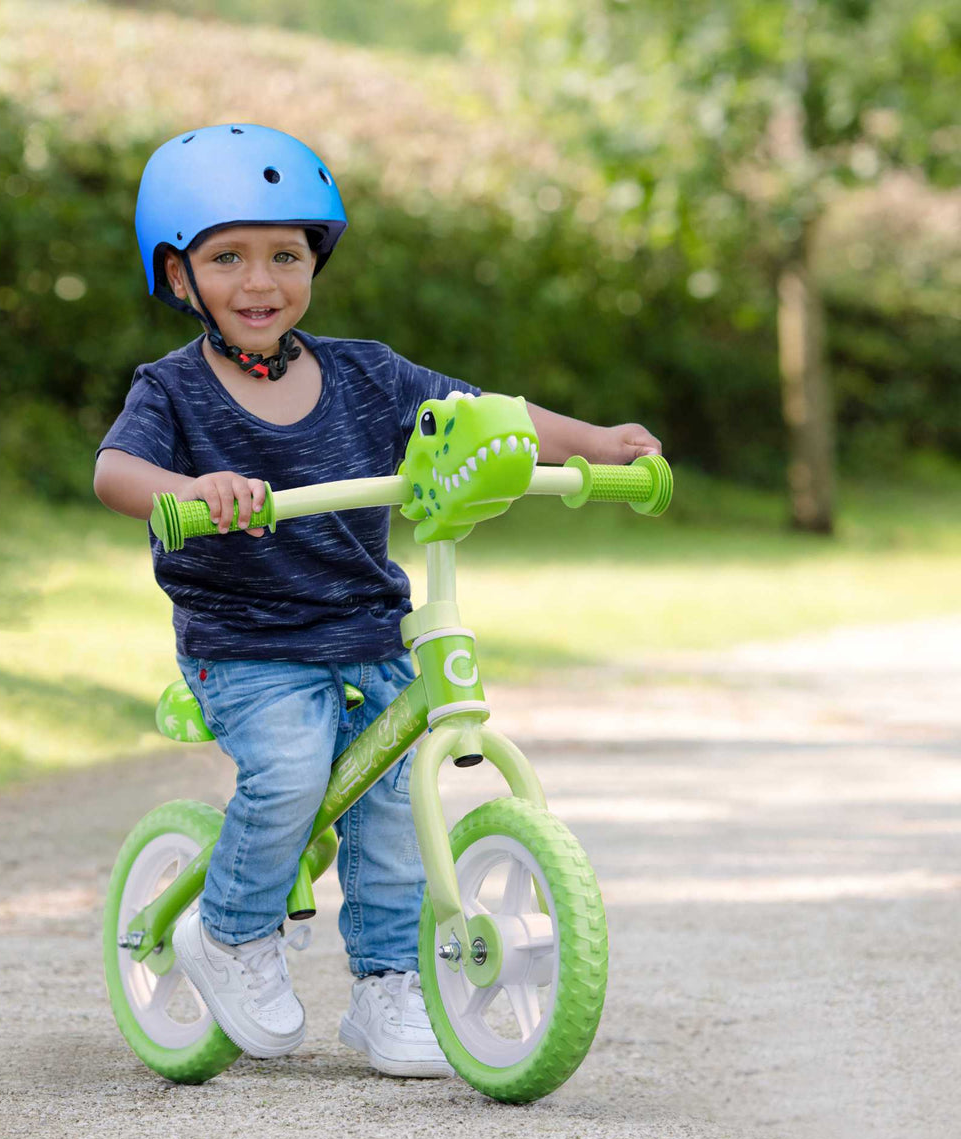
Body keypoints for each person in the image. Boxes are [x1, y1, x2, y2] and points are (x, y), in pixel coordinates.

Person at [93, 123, 661, 1077]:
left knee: (399, 803)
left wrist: (594, 444)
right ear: (180, 276)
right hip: (248, 644)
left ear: (317, 260)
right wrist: (185, 493)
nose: (261, 281)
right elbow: (117, 473)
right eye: (228, 257)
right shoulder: (176, 391)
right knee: (289, 768)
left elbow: (490, 418)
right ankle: (230, 934)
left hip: (365, 629)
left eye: (286, 254)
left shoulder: (369, 374)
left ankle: (391, 985)